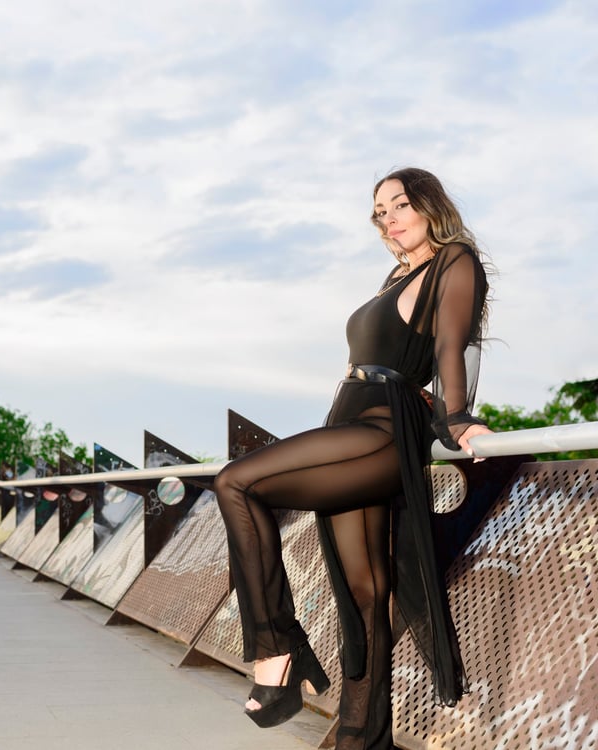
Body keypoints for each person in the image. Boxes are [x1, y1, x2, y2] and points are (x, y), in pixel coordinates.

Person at [214, 167, 493, 749]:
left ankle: (276, 649)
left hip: (385, 428)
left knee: (236, 482)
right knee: (365, 594)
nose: (389, 218)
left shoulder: (455, 261)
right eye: (380, 212)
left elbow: (449, 345)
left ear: (429, 204)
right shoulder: (396, 276)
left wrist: (457, 416)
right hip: (350, 420)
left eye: (400, 204)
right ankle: (362, 739)